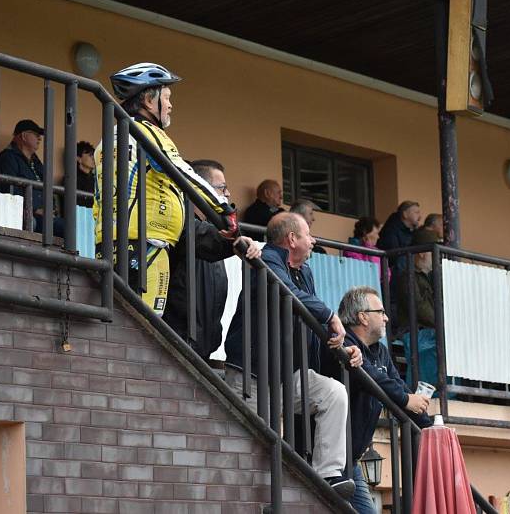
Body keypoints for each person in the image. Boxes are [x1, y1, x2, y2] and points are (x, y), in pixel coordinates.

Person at [225, 212, 362, 498]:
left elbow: (310, 317)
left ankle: (328, 474)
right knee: (258, 450)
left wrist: (343, 344)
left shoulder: (306, 271)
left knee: (333, 393)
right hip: (254, 371)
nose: (313, 240)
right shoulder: (266, 257)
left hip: (290, 372)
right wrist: (329, 315)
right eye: (308, 234)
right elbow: (287, 292)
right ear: (292, 239)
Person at [94, 62, 238, 316]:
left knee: (121, 319)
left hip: (113, 241)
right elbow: (184, 172)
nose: (170, 105)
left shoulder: (109, 139)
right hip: (148, 242)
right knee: (146, 325)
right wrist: (224, 210)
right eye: (167, 98)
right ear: (150, 100)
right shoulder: (147, 133)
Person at [321, 286, 432, 514]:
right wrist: (404, 399)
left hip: (351, 460)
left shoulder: (380, 351)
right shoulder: (344, 342)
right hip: (326, 455)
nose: (386, 317)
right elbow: (371, 376)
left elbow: (396, 384)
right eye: (380, 312)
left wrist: (431, 429)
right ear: (362, 316)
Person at [162, 159, 260, 361]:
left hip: (202, 348)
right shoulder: (181, 223)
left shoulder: (211, 230)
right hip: (177, 342)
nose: (228, 194)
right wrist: (235, 240)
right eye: (222, 188)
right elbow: (202, 237)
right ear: (200, 189)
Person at [0, 119, 65, 237]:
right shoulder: (8, 157)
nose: (39, 138)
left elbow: (48, 187)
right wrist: (34, 209)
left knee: (73, 227)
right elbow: (9, 190)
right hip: (25, 215)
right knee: (68, 229)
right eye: (36, 135)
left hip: (44, 217)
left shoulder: (36, 162)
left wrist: (52, 209)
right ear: (23, 136)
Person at [397, 229, 439, 386]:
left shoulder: (427, 277)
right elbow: (420, 308)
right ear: (422, 253)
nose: (436, 256)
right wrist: (442, 325)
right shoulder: (407, 276)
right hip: (418, 333)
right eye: (432, 252)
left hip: (428, 332)